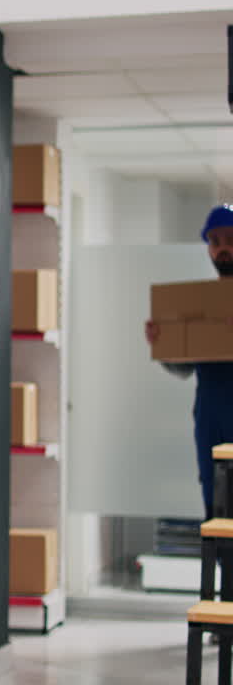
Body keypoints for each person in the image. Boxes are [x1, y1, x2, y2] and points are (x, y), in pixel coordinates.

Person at [146, 203, 233, 519]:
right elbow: (184, 368)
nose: (222, 249)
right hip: (211, 419)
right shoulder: (202, 303)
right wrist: (164, 344)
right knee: (217, 510)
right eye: (215, 242)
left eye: (230, 240)